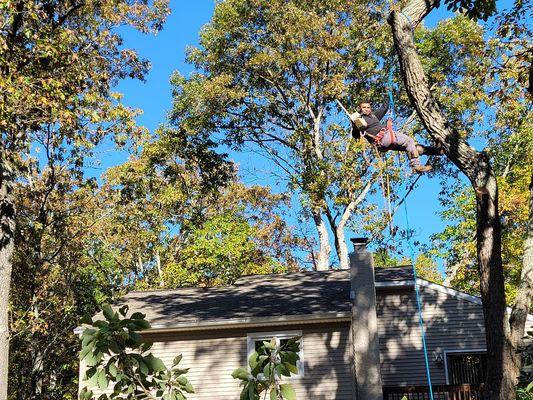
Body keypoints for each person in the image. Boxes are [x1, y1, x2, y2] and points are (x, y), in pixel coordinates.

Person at [351, 100, 433, 174]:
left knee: (409, 147)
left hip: (384, 142)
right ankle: (416, 166)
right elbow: (355, 135)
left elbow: (384, 108)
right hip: (383, 138)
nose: (366, 109)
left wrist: (388, 96)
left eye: (368, 107)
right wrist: (355, 125)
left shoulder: (373, 115)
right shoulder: (360, 120)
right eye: (364, 107)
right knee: (409, 141)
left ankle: (433, 152)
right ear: (360, 109)